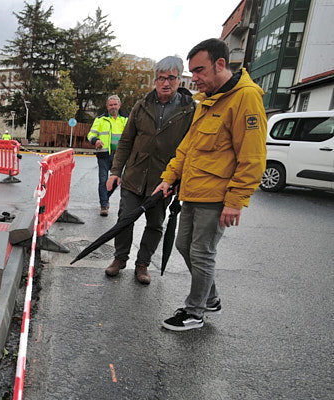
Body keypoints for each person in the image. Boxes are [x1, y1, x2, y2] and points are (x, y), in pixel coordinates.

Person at [153, 39, 267, 331]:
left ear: (220, 64)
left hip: (216, 196)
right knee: (183, 245)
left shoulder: (246, 98)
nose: (195, 78)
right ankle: (211, 297)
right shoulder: (207, 101)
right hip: (193, 191)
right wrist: (169, 178)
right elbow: (187, 148)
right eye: (192, 72)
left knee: (202, 252)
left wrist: (235, 200)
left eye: (200, 70)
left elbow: (252, 156)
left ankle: (194, 312)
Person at [104, 56, 196, 284]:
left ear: (179, 80)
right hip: (134, 176)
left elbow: (191, 149)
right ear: (155, 80)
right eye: (161, 78)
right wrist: (116, 171)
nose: (166, 83)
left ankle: (142, 264)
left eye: (171, 78)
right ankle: (120, 258)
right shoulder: (141, 106)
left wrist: (178, 182)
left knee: (155, 224)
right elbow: (126, 141)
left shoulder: (189, 110)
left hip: (163, 180)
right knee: (125, 219)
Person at [87, 95, 128, 216]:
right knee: (103, 180)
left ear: (119, 105)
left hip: (120, 156)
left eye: (115, 104)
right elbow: (90, 135)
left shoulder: (126, 120)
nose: (113, 107)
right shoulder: (100, 120)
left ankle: (105, 197)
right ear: (107, 106)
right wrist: (96, 141)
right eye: (111, 105)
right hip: (104, 155)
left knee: (117, 180)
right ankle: (104, 205)